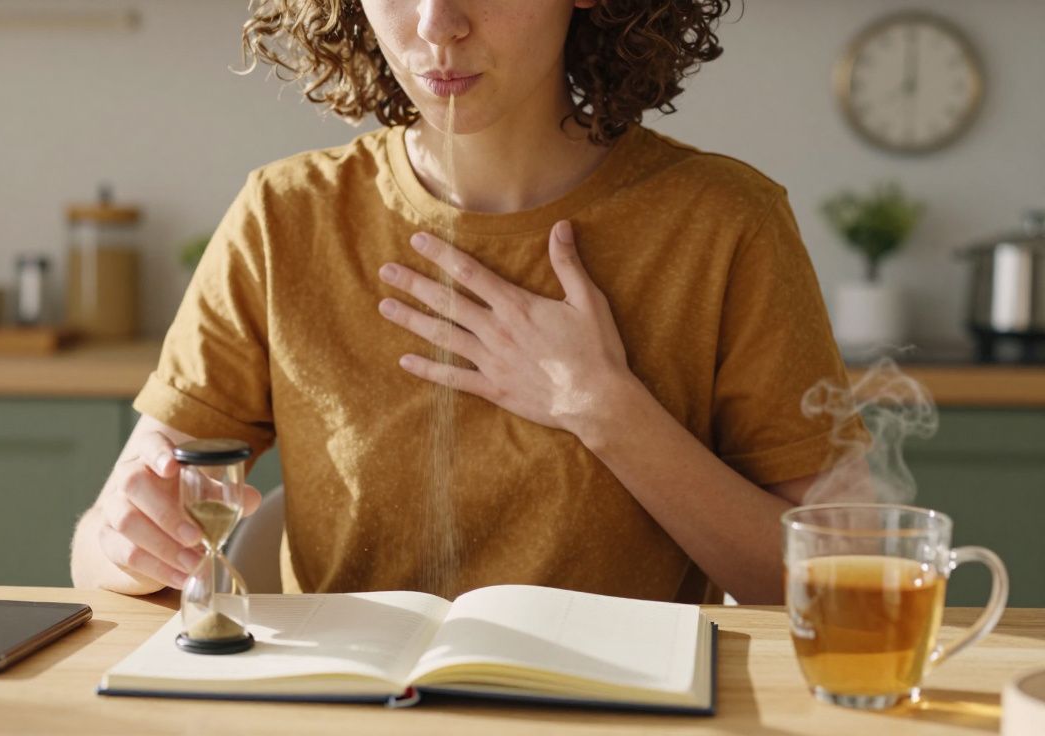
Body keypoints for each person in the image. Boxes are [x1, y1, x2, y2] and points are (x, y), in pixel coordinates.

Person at [70, 0, 864, 605]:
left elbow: (827, 587)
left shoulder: (725, 223)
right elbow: (95, 553)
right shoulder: (283, 219)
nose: (435, 24)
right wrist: (127, 543)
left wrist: (605, 409)